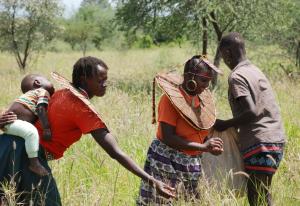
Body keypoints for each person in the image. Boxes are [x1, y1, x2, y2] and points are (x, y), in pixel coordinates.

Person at [0, 56, 175, 206]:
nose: (105, 84)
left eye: (106, 79)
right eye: (100, 80)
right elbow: (115, 152)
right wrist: (151, 180)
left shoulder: (61, 94)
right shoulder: (83, 109)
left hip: (8, 145)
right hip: (27, 155)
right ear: (84, 79)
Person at [137, 55, 224, 205]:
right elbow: (168, 137)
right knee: (163, 201)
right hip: (166, 159)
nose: (206, 86)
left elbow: (197, 132)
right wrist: (203, 147)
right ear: (190, 76)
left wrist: (209, 145)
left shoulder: (201, 99)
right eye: (203, 80)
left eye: (209, 81)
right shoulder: (169, 100)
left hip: (191, 162)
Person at [213, 32, 286, 206]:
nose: (224, 60)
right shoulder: (254, 70)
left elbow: (251, 112)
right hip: (276, 139)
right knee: (262, 194)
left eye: (223, 56)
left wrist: (224, 124)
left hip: (259, 142)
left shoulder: (237, 76)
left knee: (256, 197)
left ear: (228, 53)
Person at [2, 74, 54, 177]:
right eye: (47, 79)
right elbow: (40, 109)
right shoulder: (42, 92)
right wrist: (46, 128)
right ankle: (34, 163)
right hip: (13, 122)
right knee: (31, 132)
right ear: (37, 83)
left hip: (10, 124)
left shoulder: (31, 96)